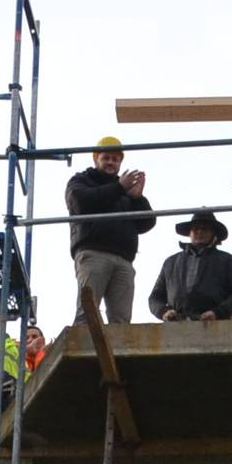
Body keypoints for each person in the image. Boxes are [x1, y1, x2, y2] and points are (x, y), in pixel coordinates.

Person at [65, 135, 157, 324]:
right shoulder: (82, 180)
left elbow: (147, 223)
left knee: (121, 320)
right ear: (95, 158)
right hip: (93, 253)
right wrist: (119, 188)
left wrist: (137, 198)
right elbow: (80, 202)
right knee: (87, 312)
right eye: (106, 158)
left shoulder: (124, 190)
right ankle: (84, 350)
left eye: (115, 159)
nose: (110, 162)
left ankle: (116, 353)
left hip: (124, 260)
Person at [148, 209, 232, 325]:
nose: (199, 231)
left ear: (213, 233)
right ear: (189, 233)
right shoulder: (170, 262)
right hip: (176, 327)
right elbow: (154, 298)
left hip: (214, 327)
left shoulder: (227, 260)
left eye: (204, 228)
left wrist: (218, 313)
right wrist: (163, 312)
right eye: (195, 229)